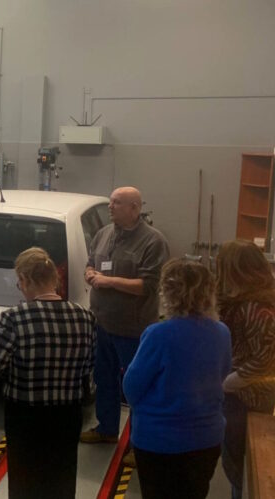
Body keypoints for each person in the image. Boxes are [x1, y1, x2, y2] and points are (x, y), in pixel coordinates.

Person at [0, 247, 96, 499]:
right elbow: (88, 368)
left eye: (19, 282)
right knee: (62, 477)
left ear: (26, 280)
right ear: (54, 278)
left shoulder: (16, 318)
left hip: (26, 416)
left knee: (26, 480)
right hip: (68, 415)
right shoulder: (85, 316)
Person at [123, 258, 231, 499]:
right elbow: (223, 372)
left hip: (159, 441)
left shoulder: (158, 334)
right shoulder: (222, 332)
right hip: (206, 438)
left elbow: (131, 388)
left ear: (167, 293)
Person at [80, 186, 170, 459]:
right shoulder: (103, 234)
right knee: (104, 379)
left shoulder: (153, 242)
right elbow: (90, 263)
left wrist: (107, 281)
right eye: (110, 202)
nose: (110, 207)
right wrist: (90, 273)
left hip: (133, 330)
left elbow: (148, 286)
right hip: (102, 324)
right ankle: (107, 429)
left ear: (135, 208)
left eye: (117, 203)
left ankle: (139, 444)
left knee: (136, 387)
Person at [216, 240, 275, 499]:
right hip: (241, 393)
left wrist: (225, 383)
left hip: (246, 398)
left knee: (240, 470)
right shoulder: (246, 300)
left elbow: (264, 360)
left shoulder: (255, 306)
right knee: (237, 465)